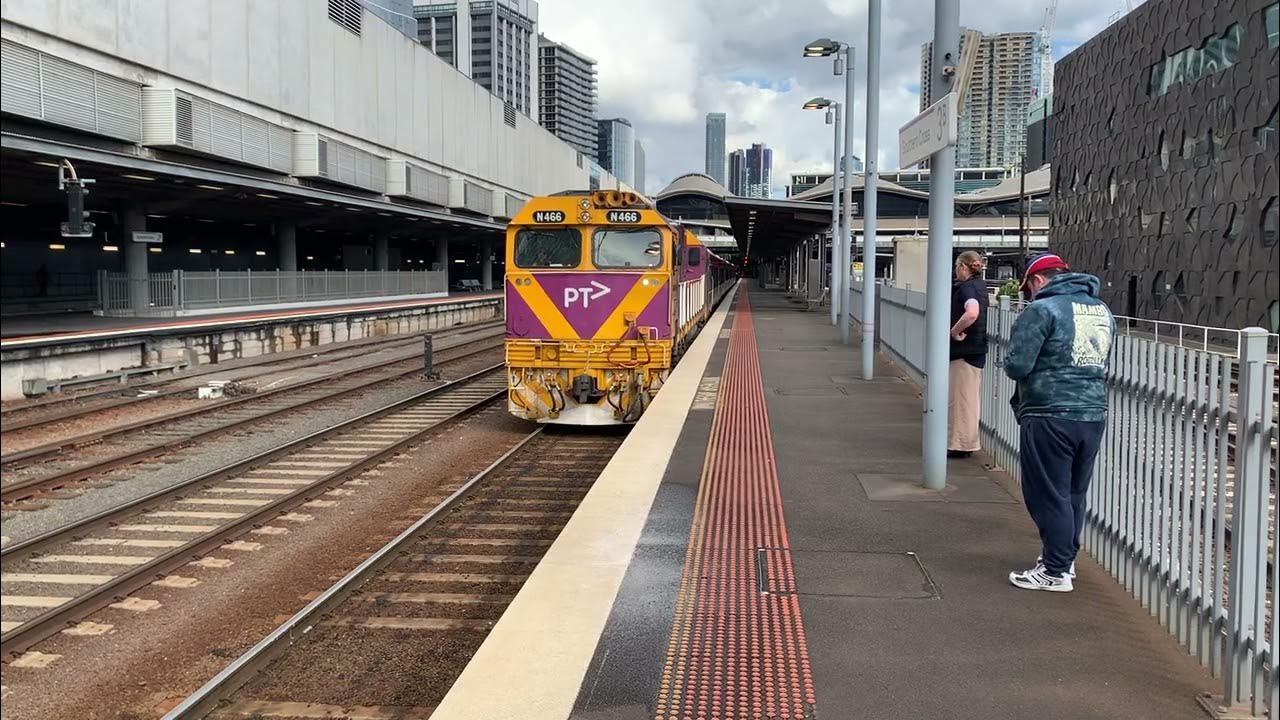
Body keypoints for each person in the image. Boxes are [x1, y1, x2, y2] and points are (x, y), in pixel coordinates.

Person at [1004, 253, 1115, 593]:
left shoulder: (1041, 310)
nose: (1029, 294)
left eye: (1029, 288)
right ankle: (1064, 563)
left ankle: (1054, 570)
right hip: (1092, 413)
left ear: (1037, 281)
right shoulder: (1101, 310)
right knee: (1073, 493)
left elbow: (1018, 366)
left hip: (1050, 412)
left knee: (1048, 493)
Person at [947, 251, 987, 459]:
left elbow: (972, 312)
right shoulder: (980, 286)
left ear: (963, 267)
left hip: (965, 352)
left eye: (956, 267)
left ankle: (960, 445)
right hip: (976, 350)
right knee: (969, 399)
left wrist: (954, 331)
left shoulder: (968, 288)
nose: (955, 271)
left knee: (960, 399)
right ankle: (963, 442)